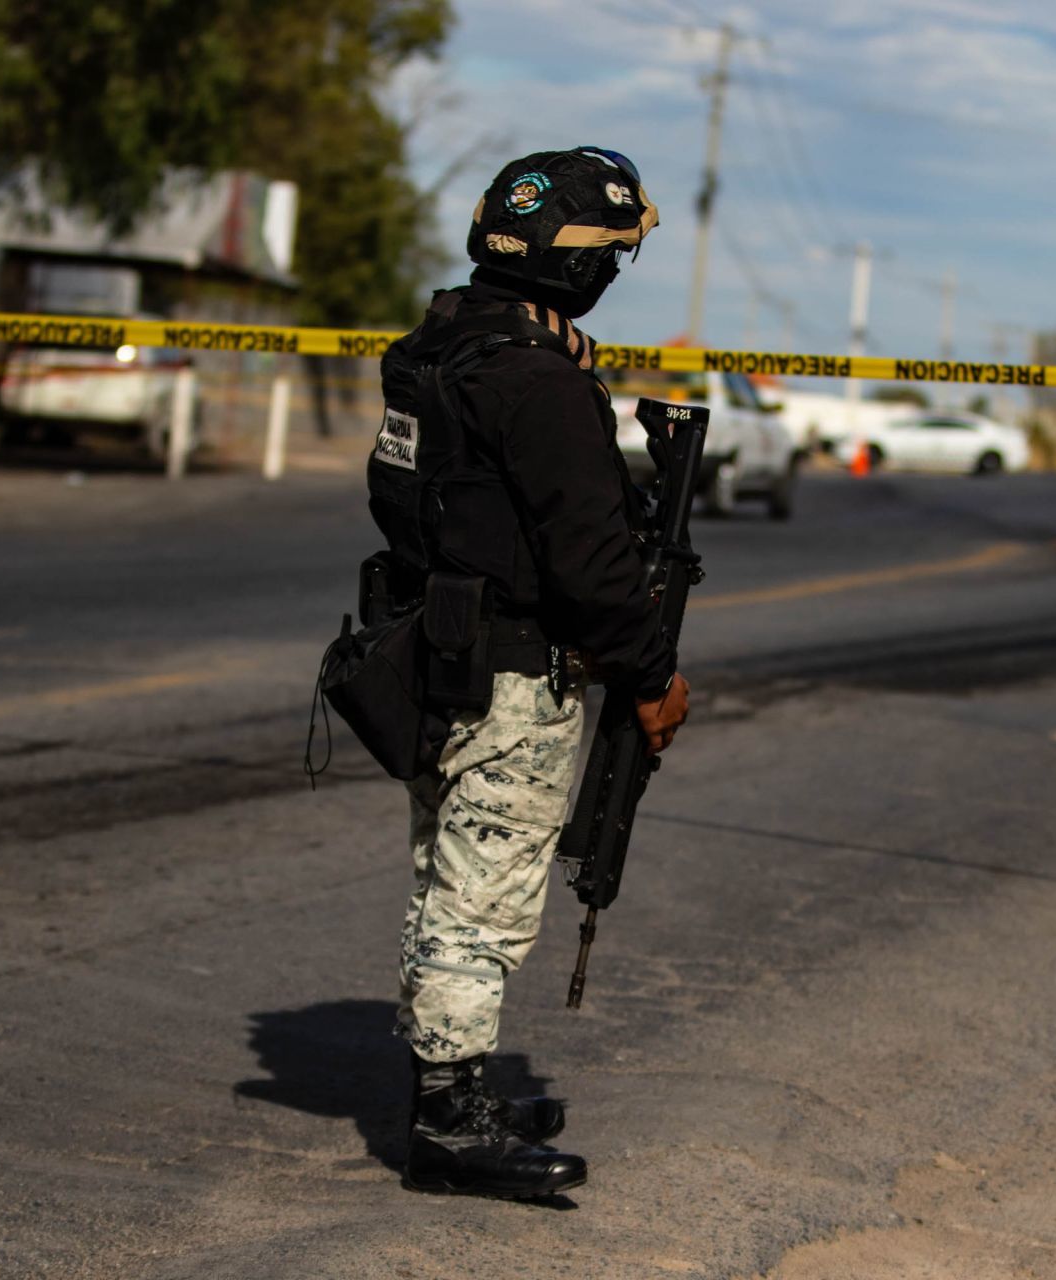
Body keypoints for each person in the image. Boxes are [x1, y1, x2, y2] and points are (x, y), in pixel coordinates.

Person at [370, 146, 690, 1197]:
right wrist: (649, 675)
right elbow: (592, 564)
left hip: (438, 650)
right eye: (609, 254)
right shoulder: (541, 379)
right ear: (573, 265)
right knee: (484, 899)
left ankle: (445, 1083)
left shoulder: (437, 345)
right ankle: (449, 1122)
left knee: (442, 877)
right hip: (512, 670)